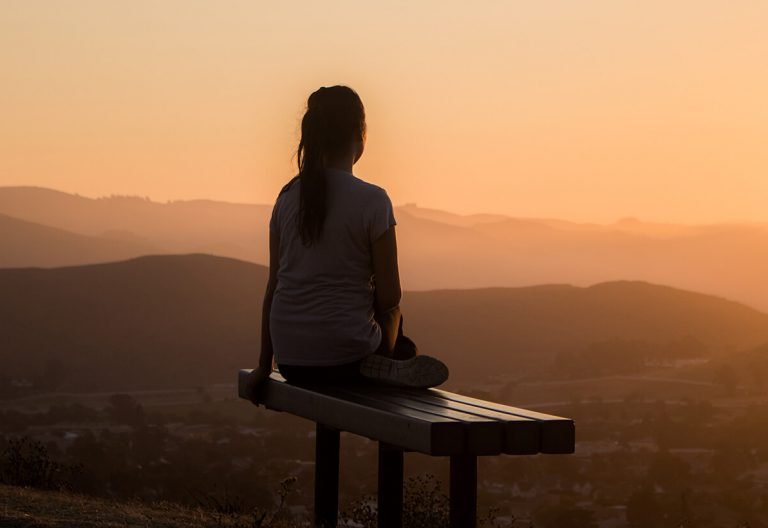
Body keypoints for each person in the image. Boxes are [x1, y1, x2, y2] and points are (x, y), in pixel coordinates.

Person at [246, 85, 448, 398]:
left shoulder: (286, 198)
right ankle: (389, 362)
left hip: (290, 361)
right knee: (397, 322)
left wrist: (263, 364)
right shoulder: (373, 200)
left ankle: (388, 360)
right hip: (348, 360)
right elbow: (390, 297)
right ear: (360, 134)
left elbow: (274, 287)